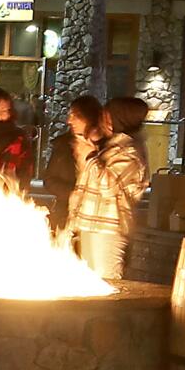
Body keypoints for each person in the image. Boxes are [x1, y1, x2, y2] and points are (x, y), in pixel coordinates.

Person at [69, 96, 150, 279]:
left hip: (108, 229)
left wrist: (90, 157)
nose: (102, 121)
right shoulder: (113, 147)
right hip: (93, 225)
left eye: (106, 116)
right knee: (90, 282)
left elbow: (109, 186)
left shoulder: (129, 152)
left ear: (116, 120)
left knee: (107, 282)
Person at [44, 96, 105, 234]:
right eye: (69, 115)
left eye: (75, 116)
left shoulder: (107, 148)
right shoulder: (63, 145)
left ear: (90, 117)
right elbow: (49, 179)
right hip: (65, 213)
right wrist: (73, 194)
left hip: (96, 220)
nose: (69, 121)